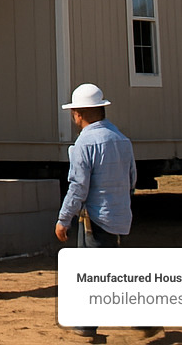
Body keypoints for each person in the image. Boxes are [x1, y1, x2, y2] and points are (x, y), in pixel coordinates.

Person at [54, 83, 157, 340]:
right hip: (118, 215)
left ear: (79, 113)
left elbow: (78, 187)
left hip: (95, 218)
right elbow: (131, 178)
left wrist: (63, 219)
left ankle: (91, 325)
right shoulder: (121, 139)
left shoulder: (84, 144)